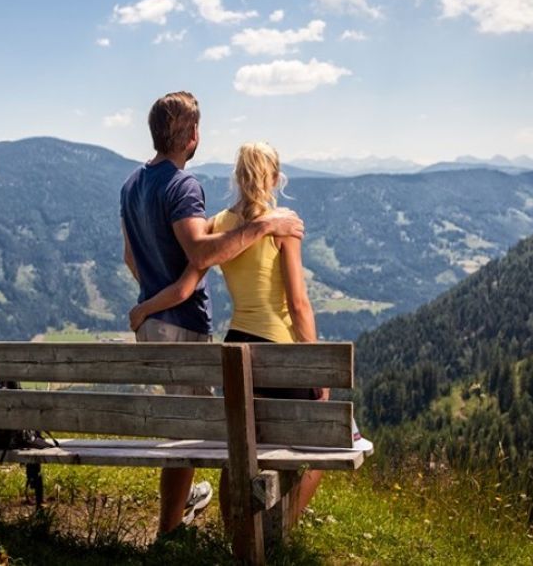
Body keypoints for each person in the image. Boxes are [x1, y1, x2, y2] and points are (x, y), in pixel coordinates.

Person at [129, 141, 372, 528]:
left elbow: (184, 285)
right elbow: (298, 303)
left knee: (243, 442)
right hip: (281, 353)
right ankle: (280, 530)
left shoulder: (219, 225)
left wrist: (144, 308)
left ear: (238, 177)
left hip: (237, 345)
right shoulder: (284, 226)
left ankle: (236, 529)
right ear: (275, 178)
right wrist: (315, 370)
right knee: (332, 439)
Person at [120, 92, 305, 537]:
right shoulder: (183, 186)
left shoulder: (131, 185)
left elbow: (130, 257)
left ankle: (181, 515)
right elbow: (201, 253)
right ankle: (175, 530)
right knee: (202, 432)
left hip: (154, 322)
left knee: (195, 428)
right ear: (193, 135)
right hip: (178, 324)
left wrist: (148, 301)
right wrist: (264, 225)